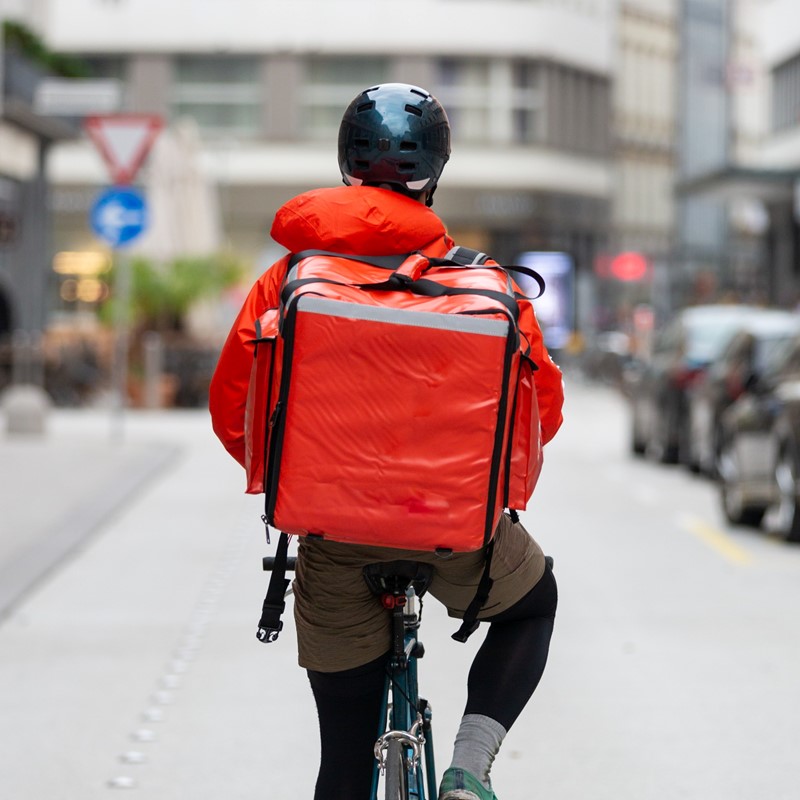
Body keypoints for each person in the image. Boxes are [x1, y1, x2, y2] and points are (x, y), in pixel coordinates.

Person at [209, 83, 564, 800]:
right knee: (536, 602)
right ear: (436, 170)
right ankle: (468, 765)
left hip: (334, 538)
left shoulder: (287, 280)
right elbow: (541, 412)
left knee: (341, 763)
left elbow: (234, 410)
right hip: (460, 535)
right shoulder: (488, 283)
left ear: (346, 163)